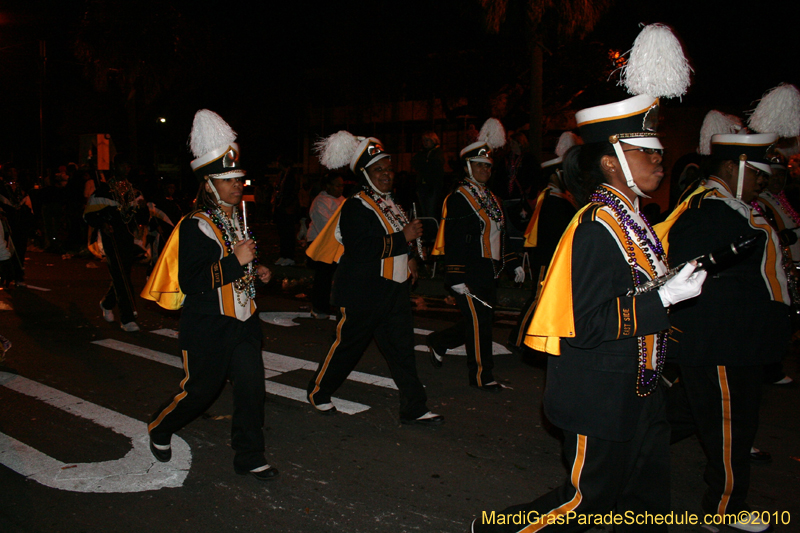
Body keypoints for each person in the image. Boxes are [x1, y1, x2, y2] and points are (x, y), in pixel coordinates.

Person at [471, 90, 706, 532]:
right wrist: (664, 298)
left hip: (642, 389)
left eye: (660, 152)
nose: (660, 160)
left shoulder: (633, 223)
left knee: (646, 502)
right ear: (611, 162)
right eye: (647, 152)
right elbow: (588, 324)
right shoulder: (596, 227)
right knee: (586, 502)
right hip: (599, 394)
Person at [656, 129, 792, 532]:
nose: (763, 182)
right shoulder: (710, 210)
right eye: (758, 173)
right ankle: (724, 510)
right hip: (721, 341)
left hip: (732, 340)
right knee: (731, 423)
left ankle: (622, 452)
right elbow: (688, 273)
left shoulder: (731, 207)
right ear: (734, 167)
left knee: (687, 414)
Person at [142, 110, 278, 481]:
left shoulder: (235, 218)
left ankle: (249, 455)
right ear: (209, 185)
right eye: (228, 180)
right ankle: (160, 427)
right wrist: (237, 262)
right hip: (208, 327)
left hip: (244, 325)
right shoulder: (195, 225)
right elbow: (193, 280)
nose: (237, 185)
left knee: (252, 390)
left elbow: (238, 262)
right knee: (200, 394)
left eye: (238, 178)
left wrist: (257, 269)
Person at [306, 132, 443, 425]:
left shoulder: (390, 203)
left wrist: (411, 260)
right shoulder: (356, 205)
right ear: (366, 174)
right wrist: (403, 237)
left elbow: (398, 240)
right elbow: (362, 249)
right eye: (379, 170)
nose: (387, 175)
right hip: (362, 293)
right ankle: (318, 392)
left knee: (402, 351)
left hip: (393, 291)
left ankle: (414, 408)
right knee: (347, 348)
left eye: (389, 169)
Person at [427, 119, 524, 392]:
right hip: (467, 271)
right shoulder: (458, 197)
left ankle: (439, 341)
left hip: (489, 270)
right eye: (479, 164)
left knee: (481, 319)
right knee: (480, 323)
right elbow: (454, 238)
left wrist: (514, 263)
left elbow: (500, 235)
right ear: (468, 167)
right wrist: (455, 275)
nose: (484, 169)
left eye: (488, 165)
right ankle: (483, 376)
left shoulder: (492, 198)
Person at [508, 133, 579, 355]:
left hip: (557, 259)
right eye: (563, 172)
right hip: (547, 259)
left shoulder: (562, 200)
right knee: (537, 298)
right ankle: (517, 338)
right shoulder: (551, 200)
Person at [84, 154, 147, 332]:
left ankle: (107, 302)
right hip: (111, 237)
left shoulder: (134, 191)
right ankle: (126, 318)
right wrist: (102, 222)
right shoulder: (103, 190)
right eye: (123, 165)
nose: (126, 169)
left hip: (128, 237)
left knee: (124, 274)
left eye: (129, 166)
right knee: (120, 273)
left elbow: (143, 218)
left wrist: (143, 210)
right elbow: (89, 215)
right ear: (115, 166)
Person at [306, 173, 345, 319]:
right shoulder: (320, 202)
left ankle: (333, 305)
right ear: (328, 186)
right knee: (323, 277)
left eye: (342, 185)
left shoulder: (343, 200)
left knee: (336, 277)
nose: (340, 188)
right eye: (337, 185)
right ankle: (319, 308)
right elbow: (325, 226)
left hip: (337, 244)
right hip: (321, 242)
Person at [411, 131, 445, 218]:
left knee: (430, 211)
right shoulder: (423, 153)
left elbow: (434, 168)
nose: (425, 143)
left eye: (427, 140)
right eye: (424, 140)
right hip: (422, 186)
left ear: (433, 140)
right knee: (423, 211)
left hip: (432, 187)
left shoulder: (437, 152)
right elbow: (414, 163)